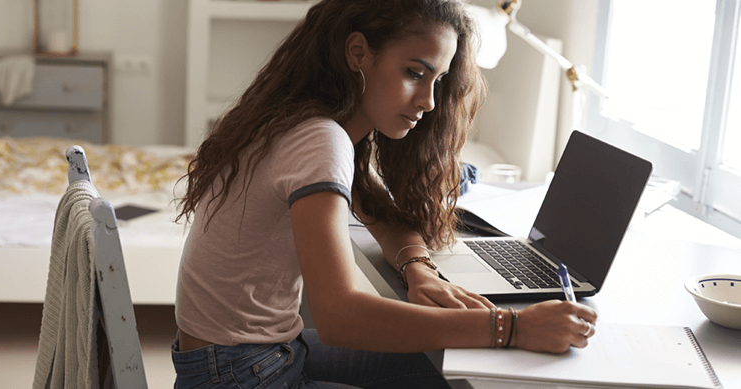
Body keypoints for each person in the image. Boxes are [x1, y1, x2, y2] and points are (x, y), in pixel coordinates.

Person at [172, 0, 598, 388]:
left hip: (237, 356)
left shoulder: (303, 121)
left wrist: (418, 266)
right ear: (358, 53)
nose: (430, 102)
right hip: (239, 373)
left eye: (439, 79)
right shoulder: (321, 139)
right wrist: (510, 327)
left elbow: (380, 211)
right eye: (415, 72)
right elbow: (340, 316)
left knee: (442, 368)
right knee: (455, 374)